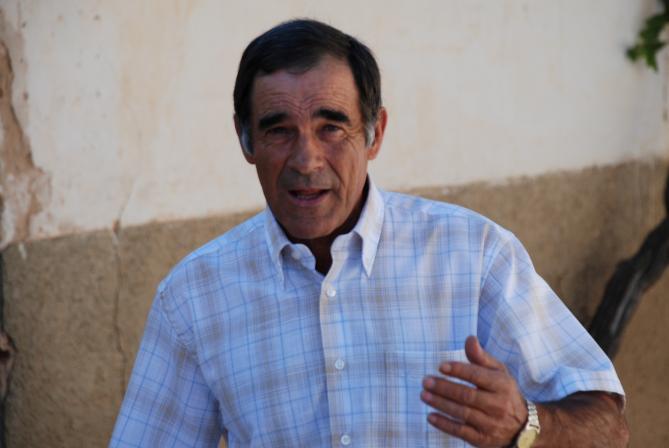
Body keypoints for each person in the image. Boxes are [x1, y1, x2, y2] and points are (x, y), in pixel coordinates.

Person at [110, 19, 628, 447]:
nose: (306, 159)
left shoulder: (474, 256)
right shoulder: (195, 297)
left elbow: (609, 428)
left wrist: (525, 426)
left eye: (332, 127)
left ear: (375, 133)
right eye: (278, 130)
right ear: (245, 140)